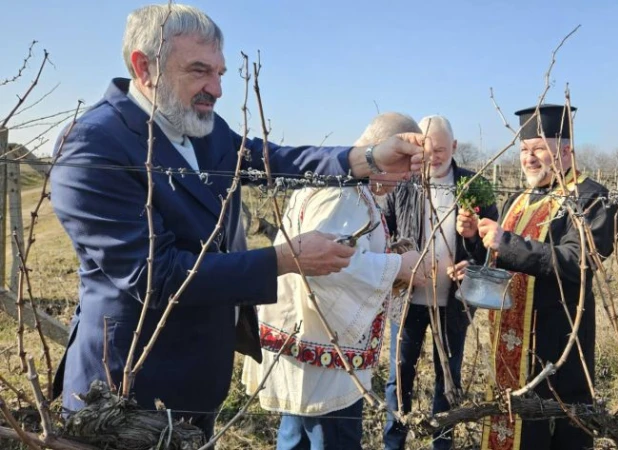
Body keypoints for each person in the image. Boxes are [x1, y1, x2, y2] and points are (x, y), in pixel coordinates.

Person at [47, 4, 425, 441]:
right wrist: (283, 260)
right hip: (129, 386)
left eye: (221, 73)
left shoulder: (202, 128)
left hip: (201, 377)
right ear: (144, 66)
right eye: (199, 71)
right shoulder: (93, 146)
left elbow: (276, 160)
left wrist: (368, 159)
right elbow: (156, 274)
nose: (217, 89)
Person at [241, 112, 427, 450]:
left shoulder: (341, 183)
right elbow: (329, 268)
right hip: (325, 353)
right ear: (384, 149)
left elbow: (343, 247)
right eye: (402, 166)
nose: (403, 180)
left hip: (308, 344)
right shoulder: (342, 193)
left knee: (297, 435)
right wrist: (400, 265)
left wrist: (386, 251)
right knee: (329, 438)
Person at [454, 104, 618, 450]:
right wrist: (473, 247)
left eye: (538, 149)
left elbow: (579, 261)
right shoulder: (519, 198)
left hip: (558, 342)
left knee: (559, 426)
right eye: (523, 151)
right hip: (511, 341)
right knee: (515, 423)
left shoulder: (592, 198)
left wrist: (506, 242)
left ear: (566, 150)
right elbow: (500, 259)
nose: (528, 158)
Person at [382, 115, 499, 450]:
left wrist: (472, 252)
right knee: (399, 376)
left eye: (442, 150)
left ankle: (442, 443)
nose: (434, 157)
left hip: (455, 303)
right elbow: (385, 234)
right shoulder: (402, 183)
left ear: (455, 147)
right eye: (428, 149)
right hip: (409, 301)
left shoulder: (474, 186)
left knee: (448, 378)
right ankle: (394, 442)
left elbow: (491, 247)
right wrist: (404, 261)